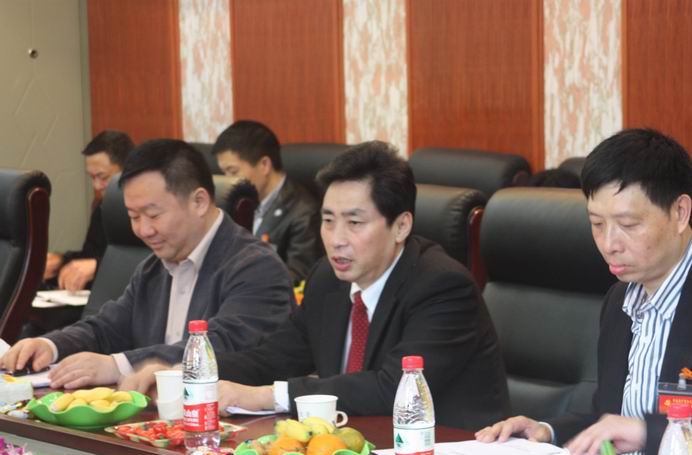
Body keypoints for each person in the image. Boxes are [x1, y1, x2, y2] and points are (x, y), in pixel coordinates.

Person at [476, 128, 692, 455]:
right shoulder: (620, 299)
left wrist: (650, 433)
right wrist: (547, 431)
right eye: (597, 224)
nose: (609, 244)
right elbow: (615, 420)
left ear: (680, 212)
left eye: (628, 224)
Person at [124, 141, 511, 431]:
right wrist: (184, 372)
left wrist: (266, 396)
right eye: (328, 221)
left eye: (354, 223)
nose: (336, 239)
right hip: (349, 453)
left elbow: (392, 389)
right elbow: (275, 357)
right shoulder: (328, 279)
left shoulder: (442, 286)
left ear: (401, 226)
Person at [0, 139, 295, 389]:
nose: (142, 230)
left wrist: (117, 366)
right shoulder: (153, 267)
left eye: (153, 215)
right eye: (133, 216)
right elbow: (107, 328)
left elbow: (220, 347)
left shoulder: (256, 267)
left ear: (199, 202)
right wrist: (50, 346)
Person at [212, 120, 320, 285]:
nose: (228, 180)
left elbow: (298, 277)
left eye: (233, 171)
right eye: (223, 173)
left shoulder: (303, 212)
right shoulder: (233, 202)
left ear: (264, 165)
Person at [44, 130, 135, 291]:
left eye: (103, 177)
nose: (96, 186)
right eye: (92, 177)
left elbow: (154, 263)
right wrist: (61, 261)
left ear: (127, 171)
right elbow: (90, 256)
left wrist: (97, 267)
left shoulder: (150, 213)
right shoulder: (103, 207)